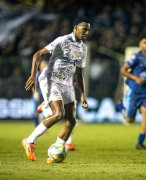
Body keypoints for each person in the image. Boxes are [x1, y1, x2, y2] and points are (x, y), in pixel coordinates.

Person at [22, 16, 90, 163]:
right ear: (75, 28)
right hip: (50, 79)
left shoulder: (83, 49)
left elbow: (79, 74)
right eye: (84, 29)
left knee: (71, 121)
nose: (86, 32)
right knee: (58, 114)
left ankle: (56, 151)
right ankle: (29, 140)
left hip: (66, 84)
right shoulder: (63, 40)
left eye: (88, 30)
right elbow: (38, 54)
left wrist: (83, 94)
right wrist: (33, 75)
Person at [117, 35, 146, 150]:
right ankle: (120, 106)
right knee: (129, 120)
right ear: (140, 45)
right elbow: (123, 70)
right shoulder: (136, 57)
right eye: (144, 42)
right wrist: (135, 78)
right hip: (134, 91)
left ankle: (140, 143)